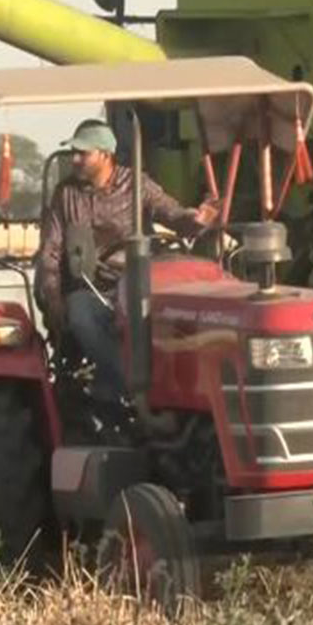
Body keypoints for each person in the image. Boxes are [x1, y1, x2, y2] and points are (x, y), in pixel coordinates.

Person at [36, 118, 218, 416]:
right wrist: (54, 298)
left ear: (105, 155)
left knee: (175, 317)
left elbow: (172, 214)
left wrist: (196, 219)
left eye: (83, 153)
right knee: (81, 315)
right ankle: (135, 388)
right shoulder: (65, 194)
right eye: (74, 153)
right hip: (89, 285)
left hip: (136, 284)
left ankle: (151, 391)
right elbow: (50, 251)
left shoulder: (136, 184)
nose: (76, 159)